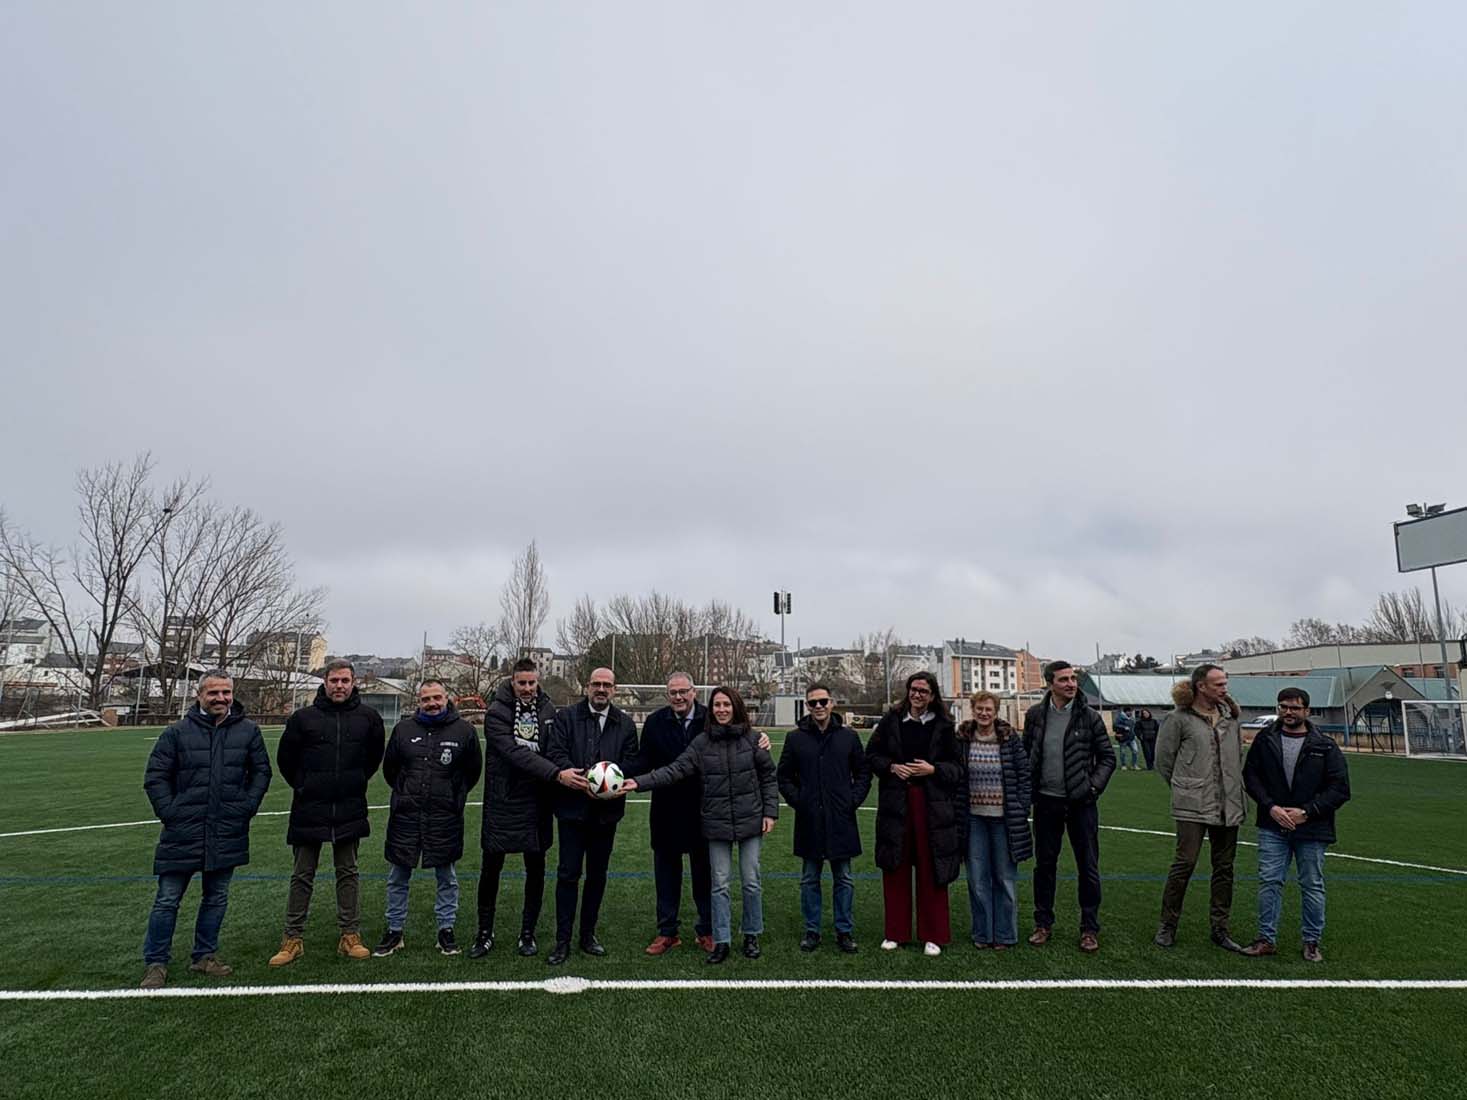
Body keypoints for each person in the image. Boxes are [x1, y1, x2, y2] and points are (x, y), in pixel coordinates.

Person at [625, 686, 778, 963]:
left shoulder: (754, 740)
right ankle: (721, 940)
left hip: (749, 820)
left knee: (751, 882)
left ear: (736, 707)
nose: (721, 710)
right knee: (718, 884)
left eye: (726, 705)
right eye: (717, 705)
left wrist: (770, 813)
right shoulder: (701, 741)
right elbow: (674, 770)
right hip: (716, 822)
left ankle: (751, 934)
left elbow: (768, 776)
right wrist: (638, 782)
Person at [139, 671, 272, 989]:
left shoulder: (249, 731)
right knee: (167, 899)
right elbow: (155, 776)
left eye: (226, 692)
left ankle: (204, 956)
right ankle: (156, 963)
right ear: (200, 695)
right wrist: (170, 812)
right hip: (182, 830)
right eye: (214, 693)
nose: (221, 698)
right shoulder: (176, 733)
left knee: (216, 897)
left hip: (227, 828)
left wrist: (246, 806)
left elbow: (261, 772)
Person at [269, 659, 385, 967]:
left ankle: (350, 935)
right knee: (302, 874)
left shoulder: (368, 718)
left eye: (345, 680)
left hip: (349, 806)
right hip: (309, 808)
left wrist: (354, 781)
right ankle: (292, 938)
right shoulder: (303, 718)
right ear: (325, 681)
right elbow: (286, 760)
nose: (340, 686)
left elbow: (374, 758)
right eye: (334, 680)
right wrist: (306, 785)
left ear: (354, 682)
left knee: (348, 872)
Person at [1241, 687, 1351, 962]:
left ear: (1307, 711)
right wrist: (1271, 807)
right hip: (1272, 824)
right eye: (1283, 707)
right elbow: (1251, 776)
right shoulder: (1265, 739)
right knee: (1269, 881)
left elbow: (1340, 788)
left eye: (1294, 707)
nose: (1288, 712)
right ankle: (1266, 939)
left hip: (1312, 828)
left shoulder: (1325, 745)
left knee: (1312, 883)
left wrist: (1308, 811)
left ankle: (1312, 941)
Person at [373, 679, 481, 958]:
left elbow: (472, 772)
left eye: (437, 698)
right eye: (426, 699)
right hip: (406, 816)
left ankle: (446, 930)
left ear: (447, 698)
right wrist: (406, 794)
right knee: (398, 876)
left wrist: (453, 797)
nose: (432, 704)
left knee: (447, 877)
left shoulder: (464, 731)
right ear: (418, 701)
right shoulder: (403, 730)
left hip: (444, 816)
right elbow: (391, 771)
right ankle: (394, 931)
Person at [543, 666, 639, 965]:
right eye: (596, 684)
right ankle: (562, 941)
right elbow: (555, 753)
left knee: (597, 876)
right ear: (586, 686)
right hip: (572, 810)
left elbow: (632, 761)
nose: (601, 689)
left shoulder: (624, 724)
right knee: (568, 875)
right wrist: (573, 776)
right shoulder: (566, 717)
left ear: (614, 689)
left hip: (606, 814)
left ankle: (587, 935)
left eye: (606, 685)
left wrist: (614, 780)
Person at [866, 671, 963, 956]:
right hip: (896, 802)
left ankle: (933, 934)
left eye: (924, 691)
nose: (918, 695)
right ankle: (895, 932)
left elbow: (957, 768)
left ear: (933, 696)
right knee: (895, 866)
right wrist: (891, 767)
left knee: (930, 867)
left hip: (931, 805)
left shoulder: (945, 726)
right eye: (914, 689)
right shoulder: (891, 720)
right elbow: (871, 756)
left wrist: (933, 770)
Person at [472, 657, 563, 959]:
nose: (527, 688)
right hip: (503, 800)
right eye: (521, 682)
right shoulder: (496, 712)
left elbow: (555, 749)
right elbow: (513, 754)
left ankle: (528, 932)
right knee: (491, 869)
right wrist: (554, 773)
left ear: (538, 681)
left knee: (536, 869)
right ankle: (484, 932)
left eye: (531, 682)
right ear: (512, 681)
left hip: (538, 801)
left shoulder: (548, 709)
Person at [1022, 660, 1115, 953]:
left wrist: (1092, 787)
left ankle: (1089, 928)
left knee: (1087, 867)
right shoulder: (1035, 715)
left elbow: (1107, 758)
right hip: (1046, 802)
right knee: (1045, 866)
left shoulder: (1089, 717)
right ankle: (1043, 924)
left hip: (1081, 804)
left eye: (1073, 679)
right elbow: (1027, 756)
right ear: (1050, 683)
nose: (1071, 684)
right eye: (1064, 679)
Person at [1153, 664, 1246, 953]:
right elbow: (1163, 761)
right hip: (1192, 805)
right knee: (1184, 864)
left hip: (1229, 804)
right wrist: (1187, 788)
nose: (1224, 688)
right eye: (1218, 684)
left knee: (1224, 868)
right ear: (1200, 687)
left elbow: (1237, 758)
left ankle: (1220, 928)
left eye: (1225, 683)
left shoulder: (1231, 719)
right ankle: (1167, 925)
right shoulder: (1178, 719)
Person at [776, 681, 871, 953]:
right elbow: (783, 776)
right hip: (810, 820)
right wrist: (800, 801)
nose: (818, 706)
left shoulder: (848, 737)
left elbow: (863, 773)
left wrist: (851, 801)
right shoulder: (796, 738)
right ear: (807, 706)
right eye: (813, 702)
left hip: (841, 820)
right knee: (809, 878)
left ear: (832, 703)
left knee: (844, 878)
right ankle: (812, 930)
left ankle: (844, 930)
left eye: (823, 701)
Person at [636, 672, 713, 955]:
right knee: (666, 874)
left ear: (694, 692)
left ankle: (706, 930)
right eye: (673, 693)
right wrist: (616, 773)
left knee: (703, 874)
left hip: (703, 809)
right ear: (667, 694)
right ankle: (667, 932)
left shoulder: (710, 718)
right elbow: (643, 760)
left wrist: (761, 739)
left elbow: (736, 739)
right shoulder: (656, 722)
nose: (678, 697)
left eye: (683, 692)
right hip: (665, 809)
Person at [957, 690, 1032, 950]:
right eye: (979, 708)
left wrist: (1021, 807)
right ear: (973, 709)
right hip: (974, 819)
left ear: (996, 710)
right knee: (977, 880)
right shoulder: (963, 738)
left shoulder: (1010, 738)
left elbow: (1024, 774)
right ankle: (982, 933)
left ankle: (1005, 934)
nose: (984, 713)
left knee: (1004, 879)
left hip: (1004, 819)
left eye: (989, 709)